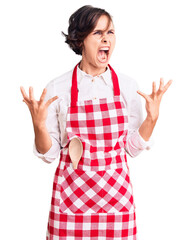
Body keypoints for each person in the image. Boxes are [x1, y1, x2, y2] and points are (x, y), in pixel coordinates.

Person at [20, 5, 172, 240]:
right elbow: (48, 154)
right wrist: (38, 126)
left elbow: (132, 148)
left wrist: (152, 118)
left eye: (110, 32)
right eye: (97, 33)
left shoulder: (128, 86)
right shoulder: (57, 88)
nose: (106, 39)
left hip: (116, 199)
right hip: (71, 201)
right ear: (80, 40)